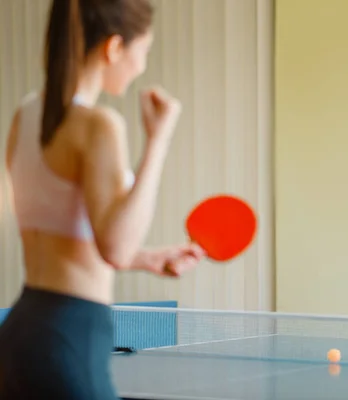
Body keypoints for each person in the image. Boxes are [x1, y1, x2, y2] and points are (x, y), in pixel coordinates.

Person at [0, 0, 205, 398]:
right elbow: (115, 246)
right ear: (113, 48)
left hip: (20, 333)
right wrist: (158, 141)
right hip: (72, 336)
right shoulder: (99, 126)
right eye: (143, 51)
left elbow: (65, 234)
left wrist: (147, 258)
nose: (142, 65)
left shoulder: (25, 116)